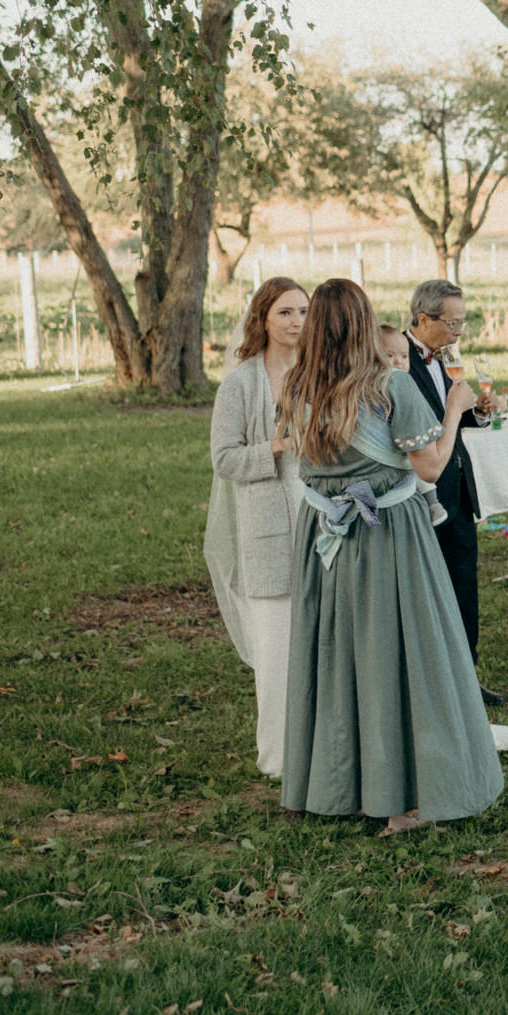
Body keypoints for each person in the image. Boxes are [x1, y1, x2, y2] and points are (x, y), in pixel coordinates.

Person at [276, 279, 503, 833]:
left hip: (327, 541)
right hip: (389, 537)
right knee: (405, 657)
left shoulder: (296, 388)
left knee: (342, 657)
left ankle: (346, 787)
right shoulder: (389, 385)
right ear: (362, 324)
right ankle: (409, 799)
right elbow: (428, 467)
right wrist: (453, 409)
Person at [204, 277, 308, 779]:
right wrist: (273, 449)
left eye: (305, 313)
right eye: (286, 313)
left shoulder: (317, 374)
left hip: (320, 522)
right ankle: (278, 758)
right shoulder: (241, 383)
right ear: (263, 318)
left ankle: (320, 749)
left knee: (319, 644)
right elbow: (222, 458)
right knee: (275, 651)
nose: (296, 323)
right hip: (265, 526)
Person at [399, 279, 506, 706]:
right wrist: (454, 410)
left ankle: (466, 678)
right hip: (419, 495)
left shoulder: (448, 357)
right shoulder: (395, 360)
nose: (459, 331)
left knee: (464, 583)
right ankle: (427, 686)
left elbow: (453, 420)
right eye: (452, 323)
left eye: (463, 322)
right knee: (424, 589)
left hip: (457, 490)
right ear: (423, 319)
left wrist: (476, 412)